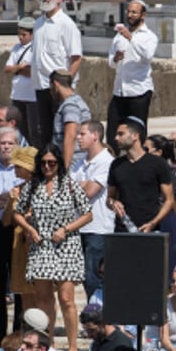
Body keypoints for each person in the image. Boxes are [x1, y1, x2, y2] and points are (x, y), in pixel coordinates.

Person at [12, 142, 92, 351]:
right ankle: (51, 345)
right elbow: (18, 213)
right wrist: (30, 229)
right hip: (42, 244)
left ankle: (73, 346)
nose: (48, 167)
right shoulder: (33, 185)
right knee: (43, 299)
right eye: (44, 163)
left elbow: (87, 214)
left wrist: (66, 229)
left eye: (52, 163)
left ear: (59, 164)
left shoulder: (69, 184)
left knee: (66, 299)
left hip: (66, 243)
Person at [0, 127, 25, 345]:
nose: (6, 146)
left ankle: (18, 331)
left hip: (17, 228)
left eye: (11, 143)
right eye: (2, 143)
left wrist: (3, 200)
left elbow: (19, 200)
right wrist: (7, 199)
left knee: (18, 281)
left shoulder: (22, 169)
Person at [31, 0, 83, 147]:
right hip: (40, 84)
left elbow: (76, 57)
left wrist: (65, 83)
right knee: (44, 129)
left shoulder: (66, 24)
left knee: (59, 127)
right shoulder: (38, 23)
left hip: (58, 86)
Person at [108, 116, 175, 233]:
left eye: (121, 134)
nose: (116, 138)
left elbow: (169, 200)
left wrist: (153, 223)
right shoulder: (116, 164)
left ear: (135, 136)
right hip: (123, 230)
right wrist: (113, 203)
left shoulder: (157, 163)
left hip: (150, 231)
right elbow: (110, 197)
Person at [107, 0, 159, 143]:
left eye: (134, 12)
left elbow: (147, 55)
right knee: (112, 134)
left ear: (143, 15)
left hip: (138, 92)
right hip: (120, 91)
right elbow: (111, 63)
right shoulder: (119, 36)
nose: (130, 15)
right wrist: (116, 58)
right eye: (128, 12)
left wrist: (130, 38)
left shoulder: (149, 36)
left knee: (137, 134)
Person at [72, 120, 113, 299]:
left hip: (98, 227)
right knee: (86, 277)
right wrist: (82, 184)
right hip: (79, 226)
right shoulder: (80, 162)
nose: (77, 137)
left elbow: (90, 191)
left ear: (95, 135)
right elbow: (63, 187)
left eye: (82, 133)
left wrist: (77, 185)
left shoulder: (106, 161)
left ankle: (100, 318)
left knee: (93, 276)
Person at [49, 69, 92, 169]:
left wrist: (64, 168)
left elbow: (70, 136)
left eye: (50, 86)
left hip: (72, 163)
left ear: (55, 85)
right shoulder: (76, 101)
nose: (50, 91)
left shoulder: (70, 105)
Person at [5, 17, 35, 140]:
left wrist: (16, 69)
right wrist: (19, 67)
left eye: (24, 35)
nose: (21, 37)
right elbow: (7, 69)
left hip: (31, 96)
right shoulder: (16, 48)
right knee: (17, 128)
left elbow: (31, 72)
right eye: (19, 34)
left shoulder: (35, 49)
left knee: (31, 130)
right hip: (17, 95)